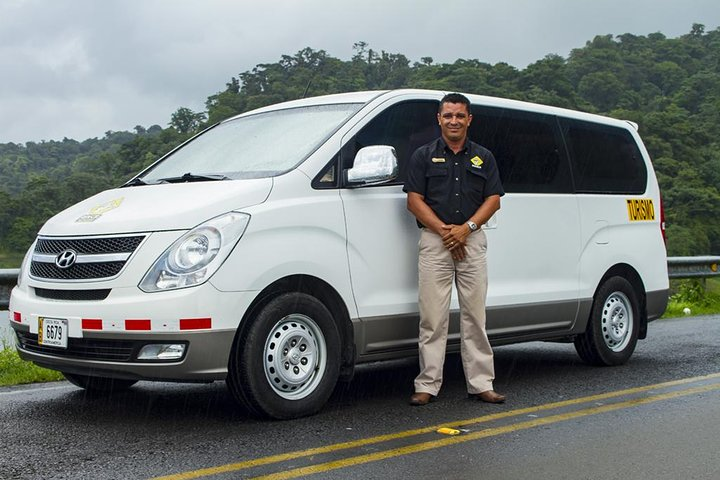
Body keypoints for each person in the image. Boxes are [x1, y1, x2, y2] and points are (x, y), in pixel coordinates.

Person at [403, 93, 505, 406]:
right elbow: (413, 200)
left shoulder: (483, 157)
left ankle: (481, 383)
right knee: (433, 318)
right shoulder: (423, 156)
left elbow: (494, 199)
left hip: (471, 240)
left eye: (460, 115)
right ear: (439, 119)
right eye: (448, 115)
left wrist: (466, 229)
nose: (454, 121)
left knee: (475, 317)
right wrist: (446, 232)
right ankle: (427, 385)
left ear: (469, 119)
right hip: (436, 242)